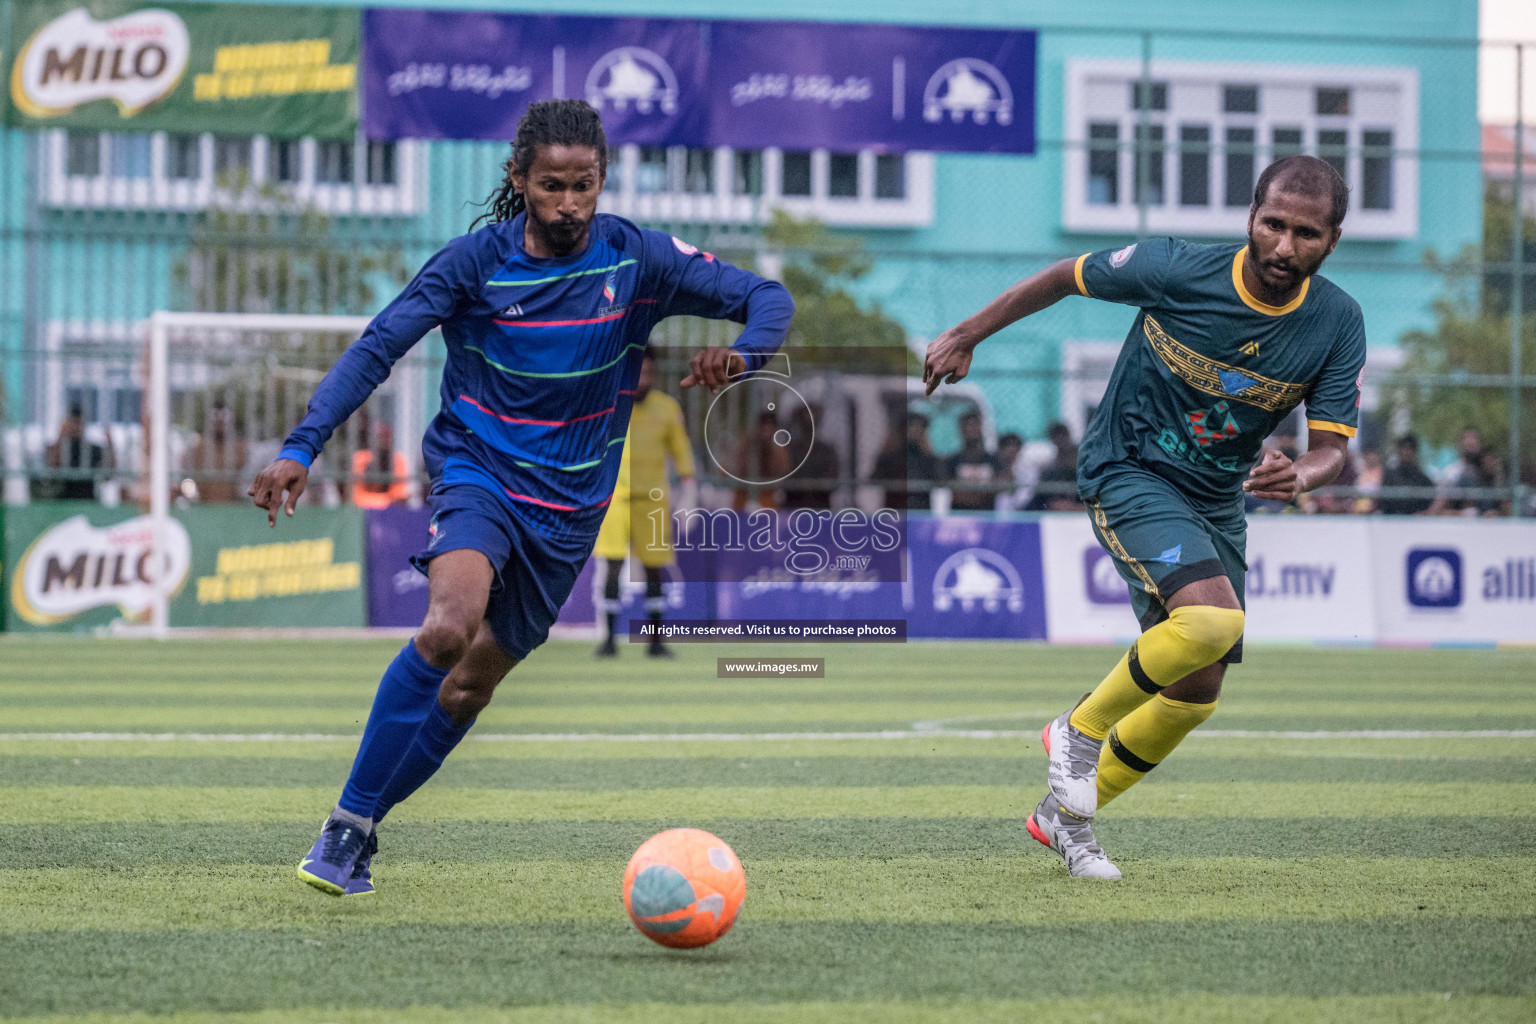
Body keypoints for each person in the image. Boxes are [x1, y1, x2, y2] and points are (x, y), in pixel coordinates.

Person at [247, 99, 793, 897]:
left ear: (602, 178)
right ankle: (344, 822)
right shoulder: (473, 263)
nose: (569, 203)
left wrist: (743, 358)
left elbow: (767, 298)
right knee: (447, 627)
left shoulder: (636, 257)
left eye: (583, 186)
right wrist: (302, 445)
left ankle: (363, 827)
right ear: (518, 180)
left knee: (471, 684)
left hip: (569, 510)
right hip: (480, 473)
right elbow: (379, 347)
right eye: (551, 187)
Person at [924, 155, 1365, 879]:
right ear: (1250, 220)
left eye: (1306, 234)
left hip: (1217, 499)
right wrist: (969, 333)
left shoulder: (1337, 323)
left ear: (1332, 241)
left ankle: (1064, 821)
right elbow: (1063, 276)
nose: (1285, 246)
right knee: (1215, 623)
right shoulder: (1174, 268)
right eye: (1273, 224)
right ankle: (1078, 729)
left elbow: (1331, 450)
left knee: (1199, 686)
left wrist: (1301, 475)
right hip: (1129, 468)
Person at [593, 346, 695, 659]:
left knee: (654, 569)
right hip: (614, 500)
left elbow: (682, 454)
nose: (643, 379)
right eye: (639, 372)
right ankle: (609, 639)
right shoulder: (609, 406)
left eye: (649, 373)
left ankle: (655, 641)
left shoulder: (667, 409)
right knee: (612, 567)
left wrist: (689, 493)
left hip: (651, 501)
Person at [872, 412, 944, 510]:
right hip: (895, 509)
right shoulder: (891, 456)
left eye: (920, 427)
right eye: (912, 426)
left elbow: (940, 479)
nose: (915, 430)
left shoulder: (928, 457)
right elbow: (875, 478)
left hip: (921, 510)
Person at [42, 405, 113, 501]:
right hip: (61, 502)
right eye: (73, 423)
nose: (75, 427)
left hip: (87, 501)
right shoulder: (56, 448)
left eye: (78, 423)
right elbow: (51, 471)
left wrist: (110, 444)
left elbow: (108, 475)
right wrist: (61, 437)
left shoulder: (92, 449)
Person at [945, 411, 1001, 511]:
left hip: (986, 515)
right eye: (968, 425)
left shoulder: (993, 460)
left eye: (975, 425)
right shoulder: (952, 460)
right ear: (961, 429)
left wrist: (968, 491)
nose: (971, 429)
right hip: (960, 515)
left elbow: (999, 486)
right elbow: (953, 492)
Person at [350, 422, 412, 509]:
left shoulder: (398, 460)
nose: (384, 441)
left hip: (389, 512)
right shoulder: (361, 458)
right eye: (380, 437)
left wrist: (383, 501)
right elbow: (356, 496)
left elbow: (398, 496)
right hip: (362, 511)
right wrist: (385, 500)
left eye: (387, 437)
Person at [1025, 422, 1083, 512]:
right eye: (1056, 436)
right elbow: (1039, 502)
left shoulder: (1084, 469)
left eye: (1063, 435)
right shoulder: (1049, 471)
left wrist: (1072, 507)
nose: (1060, 440)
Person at [1378, 434, 1434, 515]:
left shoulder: (1422, 479)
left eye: (1410, 449)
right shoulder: (1389, 475)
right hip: (1392, 521)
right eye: (1403, 448)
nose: (1406, 452)